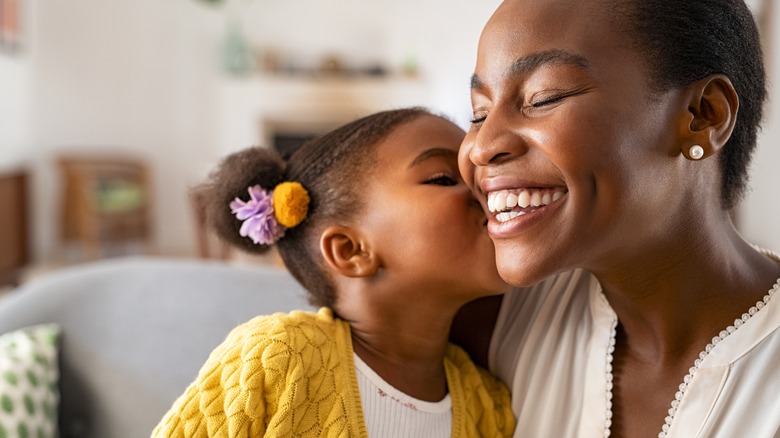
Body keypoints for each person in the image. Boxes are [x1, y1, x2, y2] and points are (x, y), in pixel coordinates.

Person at [454, 0, 780, 437]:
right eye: (479, 113)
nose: (480, 146)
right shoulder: (492, 321)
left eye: (543, 97)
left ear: (704, 116)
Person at [153, 108, 515, 437]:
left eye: (478, 174)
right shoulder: (276, 358)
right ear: (351, 250)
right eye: (442, 178)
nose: (486, 188)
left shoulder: (489, 406)